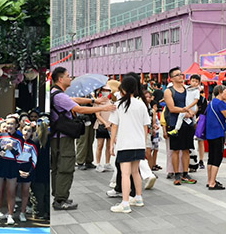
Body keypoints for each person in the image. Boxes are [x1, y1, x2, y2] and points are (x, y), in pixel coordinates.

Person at [49, 66, 113, 211]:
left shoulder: (55, 93)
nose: (70, 78)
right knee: (65, 168)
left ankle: (59, 195)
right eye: (67, 75)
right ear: (60, 79)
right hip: (62, 139)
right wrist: (102, 108)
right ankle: (60, 200)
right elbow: (79, 109)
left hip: (57, 138)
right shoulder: (59, 96)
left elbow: (75, 99)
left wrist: (94, 101)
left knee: (58, 168)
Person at [107, 75, 151, 214]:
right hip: (138, 143)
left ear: (123, 89)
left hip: (125, 143)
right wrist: (143, 142)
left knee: (125, 174)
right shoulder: (141, 104)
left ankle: (125, 203)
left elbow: (114, 126)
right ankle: (138, 198)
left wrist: (111, 145)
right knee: (135, 172)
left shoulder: (119, 104)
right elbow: (145, 126)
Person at [163, 67, 197, 185]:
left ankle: (185, 172)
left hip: (188, 123)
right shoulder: (169, 91)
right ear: (171, 79)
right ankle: (177, 173)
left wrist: (192, 112)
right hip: (174, 123)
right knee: (176, 150)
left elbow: (195, 104)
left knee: (187, 149)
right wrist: (185, 111)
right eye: (177, 75)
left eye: (181, 74)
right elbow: (171, 108)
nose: (180, 76)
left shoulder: (188, 90)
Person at [0, 117, 22, 224]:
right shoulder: (1, 136)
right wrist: (0, 152)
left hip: (12, 166)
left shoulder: (19, 139)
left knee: (11, 192)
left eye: (12, 124)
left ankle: (10, 215)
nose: (9, 126)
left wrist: (12, 149)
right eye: (7, 123)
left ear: (16, 125)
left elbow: (19, 154)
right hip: (1, 165)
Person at [204, 85, 226, 191]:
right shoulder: (220, 103)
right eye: (225, 91)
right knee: (217, 158)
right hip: (218, 133)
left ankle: (209, 180)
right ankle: (212, 182)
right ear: (219, 92)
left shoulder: (211, 103)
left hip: (210, 133)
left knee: (211, 157)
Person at [15, 123, 39, 222]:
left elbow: (34, 159)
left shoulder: (32, 144)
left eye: (29, 131)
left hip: (27, 168)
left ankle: (23, 212)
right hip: (16, 167)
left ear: (32, 133)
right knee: (12, 191)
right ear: (21, 130)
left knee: (25, 192)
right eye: (25, 130)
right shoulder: (16, 142)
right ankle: (10, 212)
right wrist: (17, 170)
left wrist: (29, 172)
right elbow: (12, 157)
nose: (26, 132)